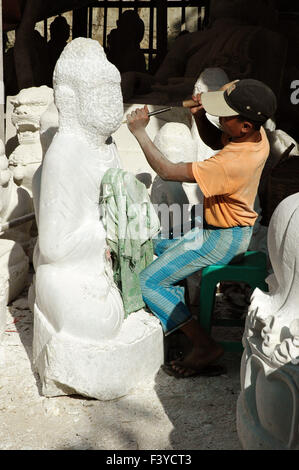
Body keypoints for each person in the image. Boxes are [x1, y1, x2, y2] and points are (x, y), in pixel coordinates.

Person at [126, 78, 277, 378]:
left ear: (245, 125)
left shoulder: (231, 163)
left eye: (225, 115)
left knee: (149, 282)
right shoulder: (256, 139)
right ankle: (178, 323)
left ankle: (203, 344)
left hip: (220, 239)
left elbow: (168, 171)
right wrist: (199, 115)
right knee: (157, 246)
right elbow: (217, 139)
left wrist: (140, 133)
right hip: (226, 231)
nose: (219, 119)